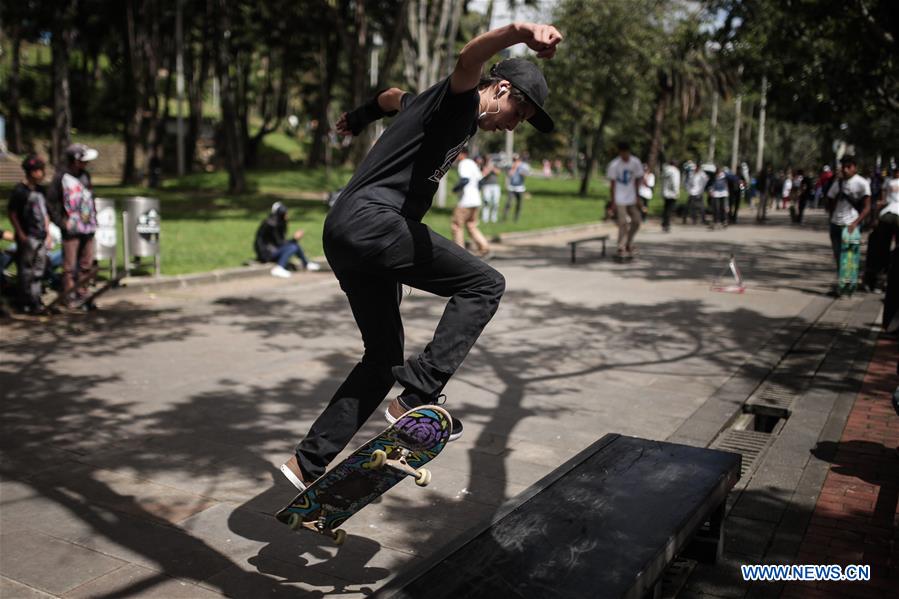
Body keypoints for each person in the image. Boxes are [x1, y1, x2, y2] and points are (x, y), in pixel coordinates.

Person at [279, 24, 563, 491]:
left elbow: (393, 96)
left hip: (345, 233)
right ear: (502, 88)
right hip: (375, 224)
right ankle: (416, 395)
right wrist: (520, 32)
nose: (515, 124)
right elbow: (469, 57)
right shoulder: (460, 100)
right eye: (520, 111)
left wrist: (359, 114)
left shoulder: (430, 107)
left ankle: (306, 462)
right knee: (485, 284)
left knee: (383, 355)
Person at [46, 143, 99, 309]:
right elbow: (50, 203)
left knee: (86, 263)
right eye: (83, 160)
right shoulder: (61, 178)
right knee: (69, 266)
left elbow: (89, 198)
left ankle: (83, 292)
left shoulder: (85, 175)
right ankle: (69, 295)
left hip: (88, 227)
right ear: (74, 160)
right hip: (71, 229)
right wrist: (61, 222)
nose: (86, 164)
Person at [7, 155, 52, 314]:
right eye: (38, 170)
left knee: (39, 268)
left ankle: (36, 299)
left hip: (40, 235)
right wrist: (20, 233)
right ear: (31, 172)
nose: (42, 173)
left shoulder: (41, 190)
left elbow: (45, 212)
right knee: (26, 270)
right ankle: (24, 301)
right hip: (28, 235)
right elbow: (12, 213)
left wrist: (48, 232)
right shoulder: (20, 191)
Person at [826, 155, 871, 281]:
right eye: (843, 167)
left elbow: (867, 208)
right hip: (835, 224)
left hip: (850, 226)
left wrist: (856, 223)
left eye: (848, 167)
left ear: (854, 168)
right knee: (838, 256)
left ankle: (848, 282)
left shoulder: (862, 183)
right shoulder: (838, 182)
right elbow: (830, 197)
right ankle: (842, 283)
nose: (845, 170)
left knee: (849, 257)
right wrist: (831, 216)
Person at [254, 201, 321, 278]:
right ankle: (279, 267)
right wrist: (294, 239)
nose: (287, 216)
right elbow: (280, 243)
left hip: (273, 249)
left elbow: (280, 241)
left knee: (295, 245)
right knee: (293, 247)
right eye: (285, 214)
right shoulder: (271, 224)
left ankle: (306, 263)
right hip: (267, 253)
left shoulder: (277, 222)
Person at [862, 168, 898, 292]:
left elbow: (882, 201)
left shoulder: (889, 182)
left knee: (882, 249)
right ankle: (884, 281)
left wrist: (875, 218)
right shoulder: (889, 182)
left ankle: (878, 281)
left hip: (886, 215)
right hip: (892, 215)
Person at [606, 142, 644, 259]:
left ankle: (629, 242)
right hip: (619, 198)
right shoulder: (614, 164)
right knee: (623, 223)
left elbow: (638, 179)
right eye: (622, 153)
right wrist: (612, 202)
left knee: (637, 221)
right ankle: (621, 246)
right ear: (620, 153)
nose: (624, 155)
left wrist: (638, 196)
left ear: (629, 151)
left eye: (626, 153)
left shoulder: (635, 162)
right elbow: (612, 184)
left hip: (632, 197)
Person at [451, 148, 491, 256]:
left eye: (457, 154)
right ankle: (484, 247)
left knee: (456, 226)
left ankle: (459, 252)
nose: (456, 156)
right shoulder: (473, 164)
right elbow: (481, 181)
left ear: (463, 154)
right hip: (476, 200)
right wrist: (475, 193)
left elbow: (465, 180)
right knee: (471, 225)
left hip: (465, 201)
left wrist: (454, 189)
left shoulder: (463, 163)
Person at [504, 154, 529, 222]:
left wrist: (521, 171)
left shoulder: (524, 165)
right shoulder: (511, 165)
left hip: (520, 187)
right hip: (511, 187)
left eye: (516, 159)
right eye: (514, 159)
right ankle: (505, 217)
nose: (515, 161)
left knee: (519, 204)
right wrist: (514, 167)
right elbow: (509, 174)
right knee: (508, 203)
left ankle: (516, 218)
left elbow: (526, 174)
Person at [479, 155, 502, 224]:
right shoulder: (482, 165)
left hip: (495, 186)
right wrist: (488, 168)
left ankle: (494, 218)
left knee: (496, 203)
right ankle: (485, 218)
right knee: (486, 202)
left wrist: (492, 168)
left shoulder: (494, 165)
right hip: (486, 186)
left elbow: (498, 172)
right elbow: (484, 174)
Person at [660, 160, 680, 232]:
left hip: (665, 193)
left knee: (665, 209)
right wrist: (676, 192)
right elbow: (675, 182)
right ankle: (667, 224)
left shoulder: (665, 170)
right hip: (672, 194)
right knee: (670, 209)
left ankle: (664, 223)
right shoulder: (675, 171)